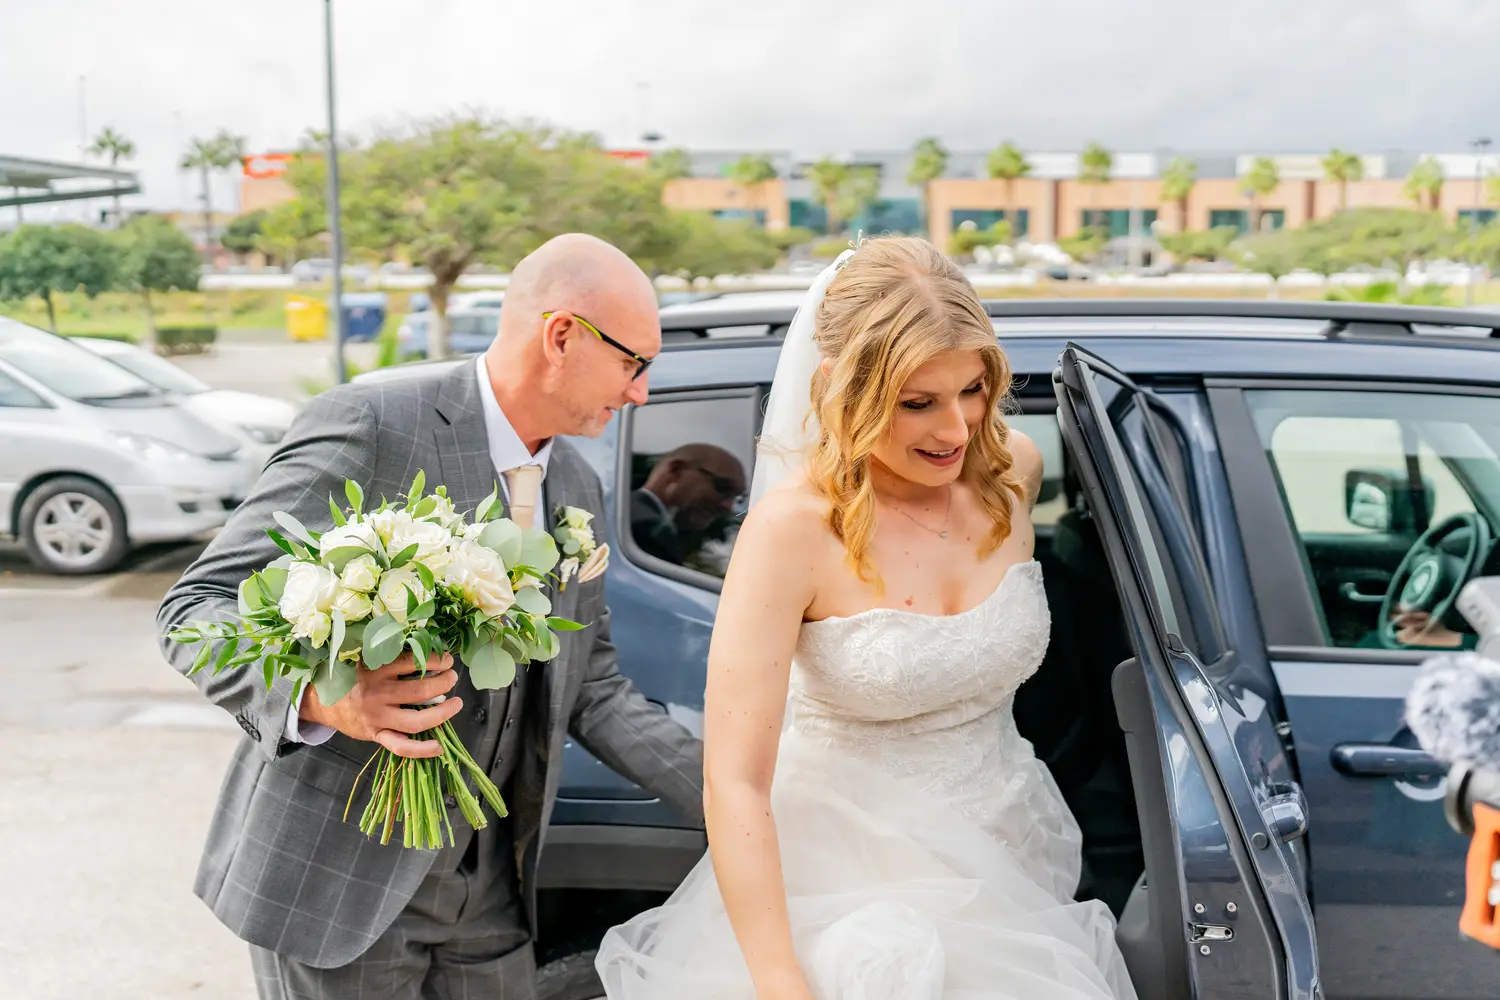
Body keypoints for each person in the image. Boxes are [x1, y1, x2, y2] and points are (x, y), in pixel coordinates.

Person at [156, 233, 704, 999]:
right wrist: (318, 698)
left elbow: (593, 687)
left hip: (490, 891)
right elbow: (193, 609)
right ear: (561, 336)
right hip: (339, 887)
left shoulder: (578, 486)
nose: (640, 392)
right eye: (633, 363)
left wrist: (737, 800)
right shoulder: (374, 423)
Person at [596, 236, 1136, 998]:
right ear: (838, 388)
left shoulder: (1014, 471)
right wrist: (781, 981)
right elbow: (735, 781)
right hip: (847, 891)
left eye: (972, 389)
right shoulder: (793, 532)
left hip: (1011, 854)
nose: (956, 429)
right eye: (918, 403)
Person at [631, 443, 747, 566]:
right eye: (723, 487)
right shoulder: (644, 529)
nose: (728, 505)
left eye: (737, 497)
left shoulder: (629, 516)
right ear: (675, 471)